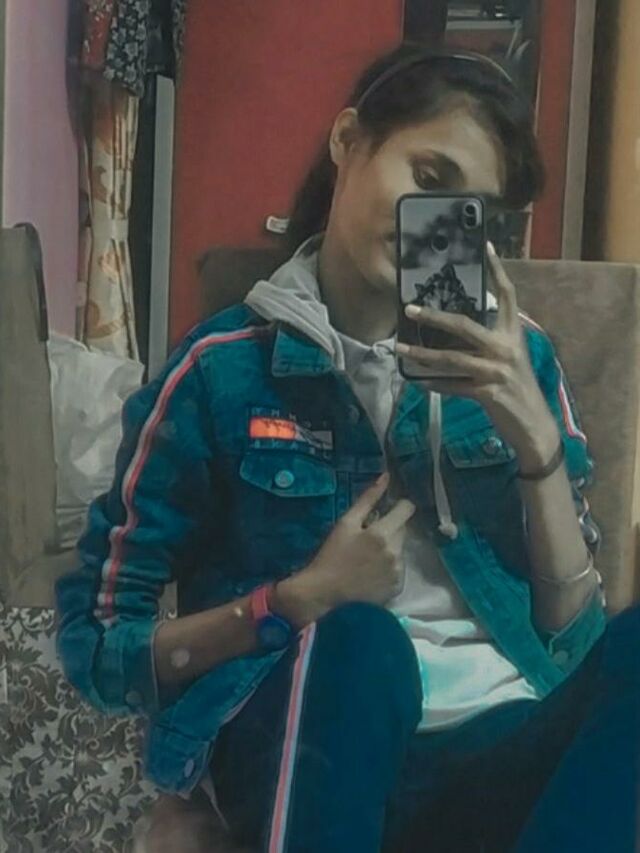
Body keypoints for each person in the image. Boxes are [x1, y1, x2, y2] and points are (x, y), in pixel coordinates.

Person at [56, 46, 639, 852]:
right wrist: (292, 601)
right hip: (310, 736)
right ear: (347, 140)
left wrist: (537, 445)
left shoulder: (520, 361)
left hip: (498, 743)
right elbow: (98, 646)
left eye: (469, 212)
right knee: (363, 641)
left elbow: (574, 639)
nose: (435, 228)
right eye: (428, 178)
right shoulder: (220, 372)